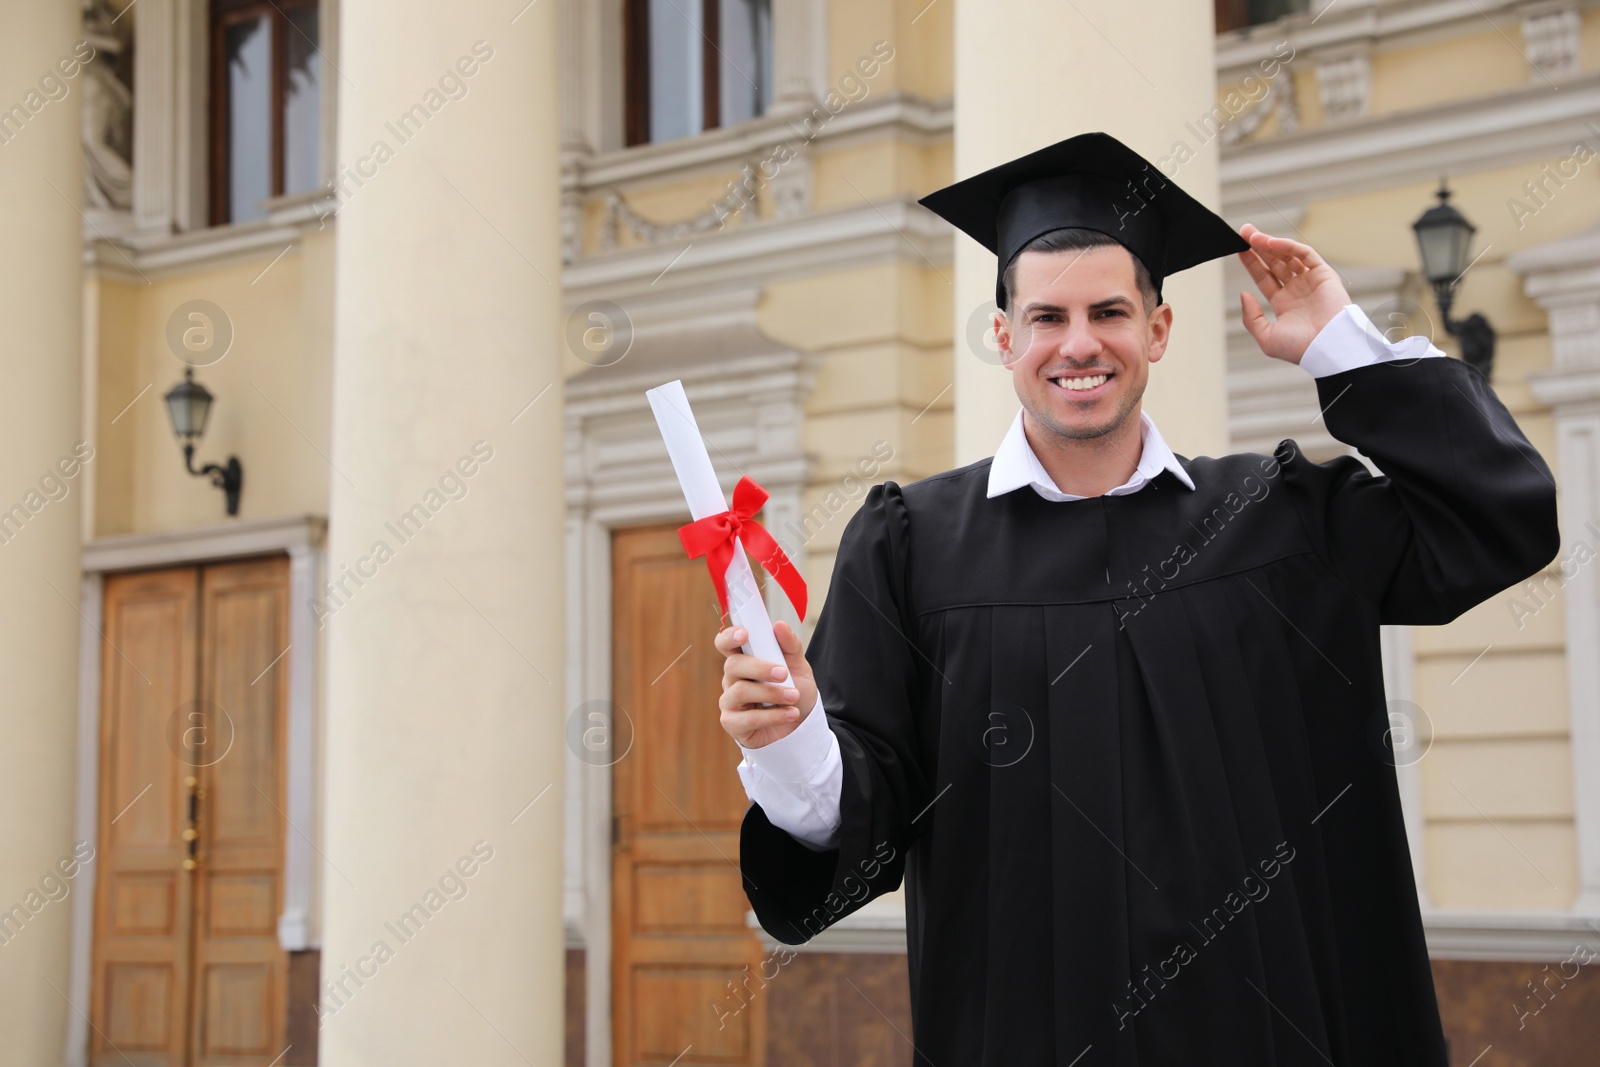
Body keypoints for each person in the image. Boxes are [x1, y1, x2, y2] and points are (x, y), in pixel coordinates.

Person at [713, 132, 1559, 1065]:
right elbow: (862, 826)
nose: (1080, 343)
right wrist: (790, 742)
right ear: (1005, 338)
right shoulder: (913, 547)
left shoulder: (1275, 517)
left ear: (1157, 330)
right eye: (1047, 317)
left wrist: (1339, 345)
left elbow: (1496, 518)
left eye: (1110, 310)